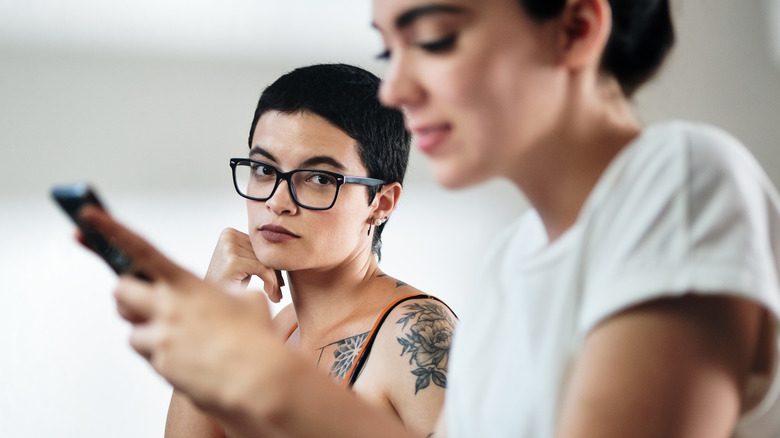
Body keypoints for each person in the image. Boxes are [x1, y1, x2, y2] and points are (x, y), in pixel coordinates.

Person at [78, 0, 780, 436]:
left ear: (574, 27)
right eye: (390, 47)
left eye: (436, 36)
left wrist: (259, 377)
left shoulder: (679, 179)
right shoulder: (512, 262)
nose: (396, 87)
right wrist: (213, 361)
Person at [161, 63, 456, 436]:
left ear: (381, 203)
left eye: (318, 178)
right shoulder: (282, 331)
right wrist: (209, 309)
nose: (277, 201)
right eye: (264, 170)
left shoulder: (414, 333)